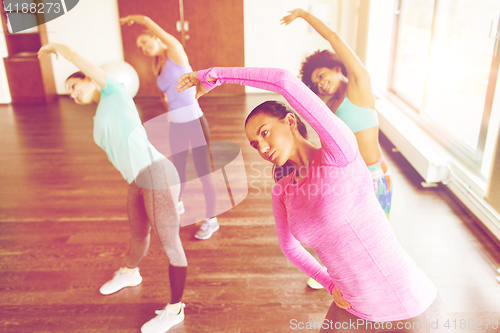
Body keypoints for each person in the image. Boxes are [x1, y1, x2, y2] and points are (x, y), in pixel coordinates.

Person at [176, 67, 448, 332]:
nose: (263, 147)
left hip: (408, 306)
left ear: (290, 121)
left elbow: (283, 80)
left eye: (265, 132)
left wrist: (213, 76)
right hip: (352, 307)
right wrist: (328, 283)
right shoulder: (283, 191)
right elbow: (290, 248)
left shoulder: (338, 154)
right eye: (255, 144)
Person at [38, 43, 187, 333]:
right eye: (68, 91)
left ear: (90, 78)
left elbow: (81, 57)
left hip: (155, 173)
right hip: (137, 180)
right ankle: (130, 273)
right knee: (137, 233)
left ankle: (175, 309)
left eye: (74, 85)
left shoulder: (115, 90)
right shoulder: (99, 115)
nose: (72, 93)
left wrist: (57, 47)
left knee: (170, 245)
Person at [282, 8, 393, 290]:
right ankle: (339, 277)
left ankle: (378, 284)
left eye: (321, 75)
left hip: (375, 176)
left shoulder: (360, 84)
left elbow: (333, 37)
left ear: (337, 68)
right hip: (348, 179)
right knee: (342, 230)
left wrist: (304, 16)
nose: (320, 82)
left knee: (376, 235)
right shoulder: (328, 107)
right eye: (315, 82)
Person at [120, 15, 219, 240]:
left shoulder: (175, 52)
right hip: (176, 123)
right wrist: (168, 109)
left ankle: (211, 220)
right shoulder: (158, 64)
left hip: (194, 121)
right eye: (140, 47)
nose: (143, 48)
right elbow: (170, 95)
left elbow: (151, 24)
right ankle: (178, 204)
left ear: (156, 37)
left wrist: (139, 20)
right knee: (179, 170)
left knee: (204, 173)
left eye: (145, 42)